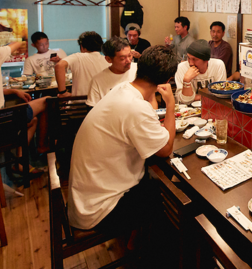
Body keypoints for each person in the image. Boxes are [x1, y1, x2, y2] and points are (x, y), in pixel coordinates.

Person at [68, 46, 177, 249]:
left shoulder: (123, 89)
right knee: (165, 199)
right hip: (100, 209)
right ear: (167, 80)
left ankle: (137, 240)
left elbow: (145, 114)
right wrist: (170, 104)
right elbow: (166, 149)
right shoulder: (134, 107)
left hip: (86, 195)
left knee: (151, 180)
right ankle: (154, 253)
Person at [55, 31, 109, 98]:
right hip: (101, 104)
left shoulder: (78, 57)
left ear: (82, 46)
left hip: (79, 104)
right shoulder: (107, 60)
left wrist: (62, 92)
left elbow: (59, 66)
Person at [87, 37, 137, 106]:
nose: (128, 61)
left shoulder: (139, 70)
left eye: (130, 55)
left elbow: (150, 98)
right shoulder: (97, 80)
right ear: (108, 59)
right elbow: (92, 109)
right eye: (122, 58)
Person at [175, 39, 227, 104]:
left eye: (194, 59)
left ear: (206, 60)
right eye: (188, 58)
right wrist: (186, 80)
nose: (190, 63)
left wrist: (195, 97)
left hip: (212, 106)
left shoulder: (218, 65)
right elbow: (185, 101)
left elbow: (220, 95)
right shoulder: (182, 68)